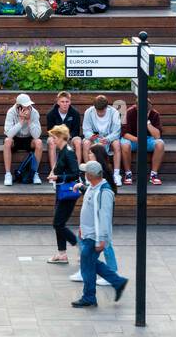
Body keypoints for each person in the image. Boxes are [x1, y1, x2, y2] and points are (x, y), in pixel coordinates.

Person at [71, 160, 129, 308]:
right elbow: (91, 199)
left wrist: (101, 240)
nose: (84, 174)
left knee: (87, 267)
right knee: (90, 263)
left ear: (90, 175)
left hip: (94, 236)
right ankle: (118, 282)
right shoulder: (93, 186)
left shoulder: (104, 193)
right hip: (87, 233)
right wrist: (82, 187)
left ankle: (89, 297)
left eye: (85, 172)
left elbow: (104, 217)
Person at [69, 143, 120, 287]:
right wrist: (83, 187)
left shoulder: (102, 172)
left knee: (105, 242)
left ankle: (112, 273)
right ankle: (84, 269)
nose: (88, 155)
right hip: (90, 215)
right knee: (83, 239)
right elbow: (93, 189)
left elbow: (103, 192)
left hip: (99, 214)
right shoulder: (92, 169)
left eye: (91, 153)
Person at [45, 124, 81, 264]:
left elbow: (75, 173)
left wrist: (58, 178)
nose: (52, 140)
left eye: (54, 137)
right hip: (61, 191)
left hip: (67, 192)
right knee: (59, 223)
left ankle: (80, 246)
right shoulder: (63, 151)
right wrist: (54, 172)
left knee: (58, 224)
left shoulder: (69, 152)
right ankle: (62, 254)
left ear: (60, 137)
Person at [83, 95, 123, 185]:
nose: (100, 113)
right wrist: (91, 136)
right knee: (86, 143)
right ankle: (88, 173)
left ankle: (116, 174)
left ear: (107, 107)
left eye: (102, 111)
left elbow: (116, 132)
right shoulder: (88, 112)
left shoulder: (114, 112)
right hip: (94, 139)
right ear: (94, 107)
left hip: (109, 139)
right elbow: (86, 130)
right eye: (98, 111)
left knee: (116, 144)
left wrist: (108, 139)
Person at [2, 93, 41, 186]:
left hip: (29, 138)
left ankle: (34, 172)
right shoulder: (11, 112)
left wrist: (28, 121)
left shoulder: (34, 113)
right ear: (18, 106)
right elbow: (9, 134)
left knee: (39, 142)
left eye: (29, 105)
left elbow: (36, 135)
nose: (28, 108)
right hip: (15, 139)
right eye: (25, 106)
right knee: (7, 141)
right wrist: (21, 122)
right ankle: (8, 174)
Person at [123, 102, 165, 186]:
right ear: (136, 107)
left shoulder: (154, 114)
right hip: (132, 138)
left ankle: (153, 174)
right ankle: (128, 173)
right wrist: (138, 140)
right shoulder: (129, 112)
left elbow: (157, 136)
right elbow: (124, 133)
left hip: (148, 139)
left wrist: (147, 122)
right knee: (124, 145)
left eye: (147, 111)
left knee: (160, 144)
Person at [45, 91, 82, 174]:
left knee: (78, 141)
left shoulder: (75, 113)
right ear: (58, 102)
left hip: (70, 138)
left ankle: (77, 172)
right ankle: (54, 172)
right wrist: (60, 139)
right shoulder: (51, 114)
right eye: (62, 102)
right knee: (51, 141)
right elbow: (51, 132)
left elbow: (76, 131)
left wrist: (66, 139)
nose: (65, 104)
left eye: (67, 101)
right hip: (56, 139)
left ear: (70, 102)